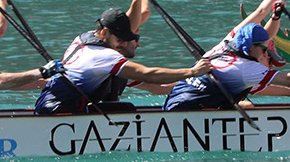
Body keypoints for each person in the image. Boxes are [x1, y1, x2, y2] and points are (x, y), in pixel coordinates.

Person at [35, 8, 211, 115]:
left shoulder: (84, 40)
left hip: (51, 106)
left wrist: (199, 84)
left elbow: (159, 88)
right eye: (120, 39)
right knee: (124, 110)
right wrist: (193, 72)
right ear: (104, 33)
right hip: (58, 113)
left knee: (121, 107)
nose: (124, 44)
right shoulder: (103, 57)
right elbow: (148, 74)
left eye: (127, 39)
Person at [164, 22, 290, 110]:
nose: (265, 54)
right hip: (188, 111)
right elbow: (289, 79)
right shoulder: (247, 69)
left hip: (172, 104)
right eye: (264, 50)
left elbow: (258, 17)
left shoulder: (221, 47)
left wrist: (275, 16)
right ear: (251, 47)